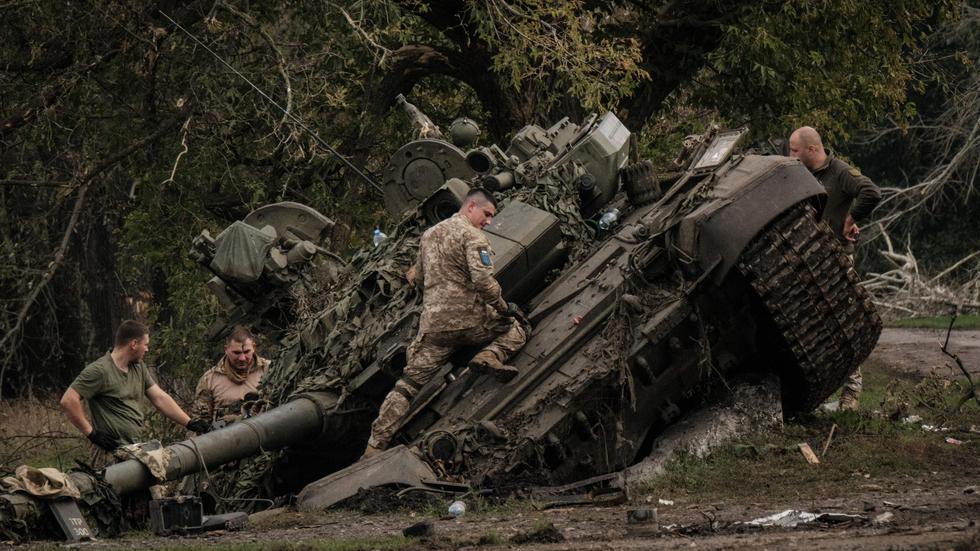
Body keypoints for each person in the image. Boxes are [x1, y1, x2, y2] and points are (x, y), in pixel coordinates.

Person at [362, 189, 528, 458]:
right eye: (487, 215)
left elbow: (418, 278)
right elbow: (483, 282)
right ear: (471, 206)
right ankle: (489, 355)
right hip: (472, 320)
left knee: (407, 386)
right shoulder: (473, 236)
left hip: (435, 328)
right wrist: (504, 307)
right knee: (518, 328)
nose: (488, 222)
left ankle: (373, 447)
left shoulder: (429, 235)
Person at [789, 126, 882, 410]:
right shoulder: (798, 174)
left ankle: (851, 393)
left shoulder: (839, 172)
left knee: (842, 323)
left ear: (812, 149)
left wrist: (852, 218)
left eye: (795, 150)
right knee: (810, 328)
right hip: (807, 259)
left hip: (837, 258)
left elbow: (870, 191)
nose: (790, 155)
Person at [60, 320, 209, 453]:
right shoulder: (100, 370)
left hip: (136, 449)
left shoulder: (138, 367)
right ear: (133, 344)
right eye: (145, 345)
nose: (147, 349)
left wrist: (189, 422)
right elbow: (68, 400)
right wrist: (91, 434)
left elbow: (160, 398)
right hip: (111, 452)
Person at [191, 326, 269, 425]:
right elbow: (201, 422)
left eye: (246, 352)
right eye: (236, 353)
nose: (242, 358)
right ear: (226, 349)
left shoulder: (269, 370)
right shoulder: (210, 379)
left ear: (253, 347)